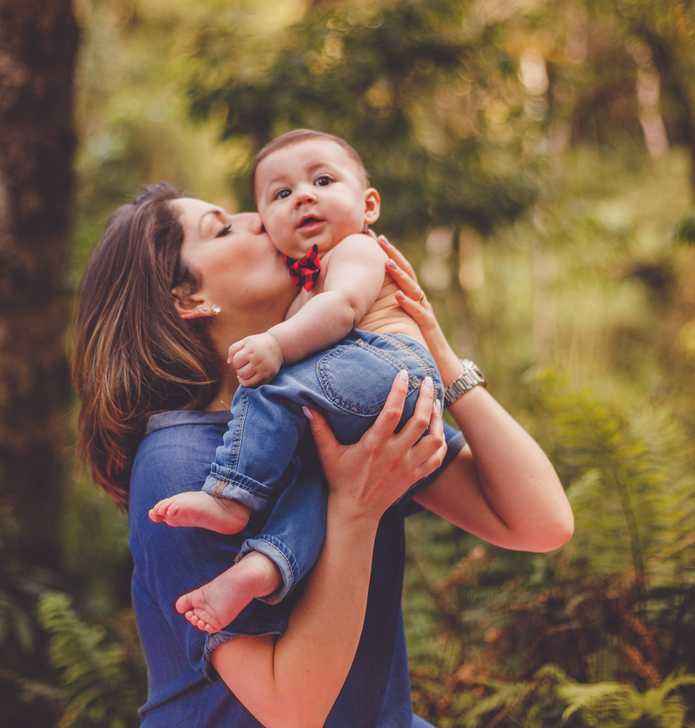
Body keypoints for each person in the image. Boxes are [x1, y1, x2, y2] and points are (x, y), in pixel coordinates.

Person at [72, 182, 573, 728]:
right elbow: (290, 708)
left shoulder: (333, 402)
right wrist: (353, 510)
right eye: (221, 227)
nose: (258, 218)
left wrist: (440, 355)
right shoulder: (177, 467)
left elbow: (540, 524)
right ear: (189, 299)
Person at [149, 129, 444, 634]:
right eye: (281, 195)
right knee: (313, 490)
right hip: (370, 395)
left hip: (388, 367)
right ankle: (261, 570)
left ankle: (230, 496)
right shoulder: (305, 286)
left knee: (271, 384)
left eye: (323, 180)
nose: (303, 195)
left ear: (369, 204)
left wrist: (276, 345)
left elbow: (344, 307)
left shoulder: (356, 250)